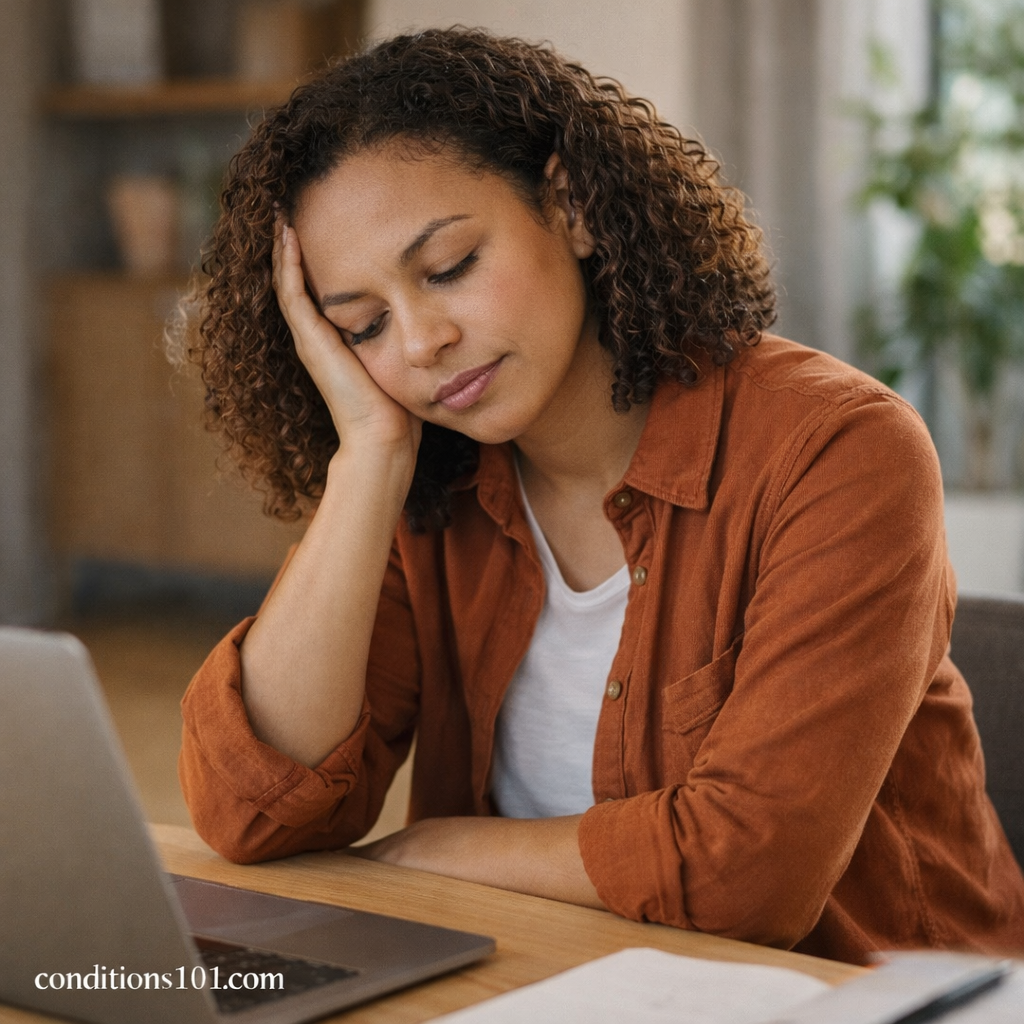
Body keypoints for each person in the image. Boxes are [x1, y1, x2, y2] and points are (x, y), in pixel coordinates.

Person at [175, 27, 1024, 965]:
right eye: (363, 325)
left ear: (572, 206)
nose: (418, 343)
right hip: (547, 977)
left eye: (450, 267)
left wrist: (432, 849)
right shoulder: (426, 480)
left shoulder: (839, 451)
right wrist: (369, 455)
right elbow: (253, 810)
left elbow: (750, 877)